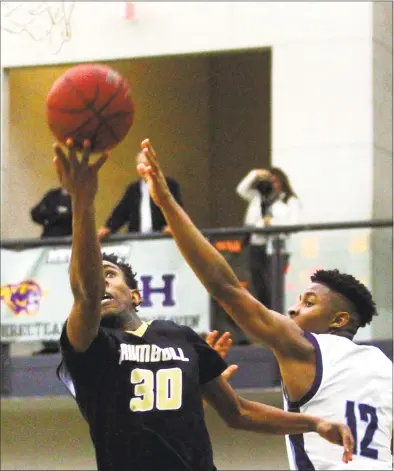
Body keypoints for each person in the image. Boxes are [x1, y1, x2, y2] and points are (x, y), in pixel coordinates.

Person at [53, 138, 353, 471]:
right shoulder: (90, 346)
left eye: (110, 275)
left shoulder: (181, 338)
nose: (101, 283)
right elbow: (86, 293)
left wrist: (312, 423)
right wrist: (83, 201)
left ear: (136, 295)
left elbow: (239, 413)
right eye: (98, 276)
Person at [138, 138, 393, 471]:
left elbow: (226, 288)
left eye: (309, 302)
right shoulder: (384, 366)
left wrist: (167, 203)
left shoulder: (306, 347)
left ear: (338, 319)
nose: (292, 310)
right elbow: (241, 413)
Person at [236, 167, 301, 311]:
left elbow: (292, 224)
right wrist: (255, 174)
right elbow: (241, 189)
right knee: (258, 282)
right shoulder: (259, 197)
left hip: (277, 247)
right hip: (257, 244)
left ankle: (277, 313)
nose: (273, 185)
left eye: (275, 181)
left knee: (274, 285)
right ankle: (266, 312)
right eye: (269, 181)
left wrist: (269, 223)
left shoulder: (288, 200)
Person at [97, 151, 182, 241]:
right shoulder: (133, 189)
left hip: (162, 238)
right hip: (137, 240)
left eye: (147, 164)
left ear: (154, 164)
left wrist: (174, 226)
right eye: (141, 166)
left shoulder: (169, 185)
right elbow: (121, 212)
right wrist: (108, 227)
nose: (145, 169)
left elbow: (177, 210)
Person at [31, 186, 73, 354]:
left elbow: (73, 214)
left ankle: (69, 339)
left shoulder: (76, 192)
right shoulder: (52, 194)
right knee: (47, 293)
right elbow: (35, 213)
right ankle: (49, 343)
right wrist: (57, 214)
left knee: (65, 293)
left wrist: (51, 215)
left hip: (67, 253)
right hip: (47, 252)